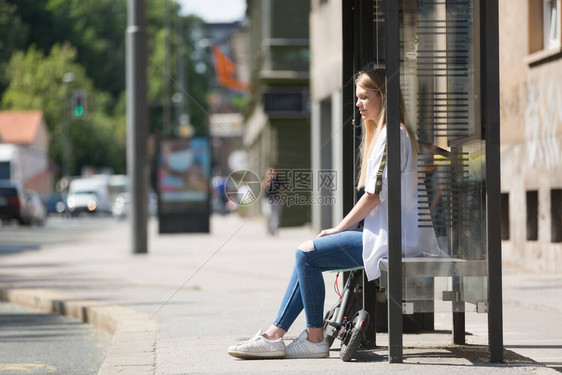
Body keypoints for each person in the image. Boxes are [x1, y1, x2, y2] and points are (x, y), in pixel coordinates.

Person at [227, 67, 443, 360]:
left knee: (307, 254)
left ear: (384, 97)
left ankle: (313, 338)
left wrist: (337, 229)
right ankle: (275, 334)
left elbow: (373, 195)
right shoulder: (393, 133)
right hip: (390, 235)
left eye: (365, 97)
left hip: (392, 240)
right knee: (307, 253)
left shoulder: (392, 134)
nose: (359, 104)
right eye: (358, 98)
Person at [261, 165, 284, 235]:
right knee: (268, 214)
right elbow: (263, 186)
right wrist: (268, 179)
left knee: (275, 215)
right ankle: (269, 228)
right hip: (267, 199)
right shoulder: (266, 178)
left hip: (276, 199)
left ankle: (274, 229)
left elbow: (282, 189)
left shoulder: (279, 179)